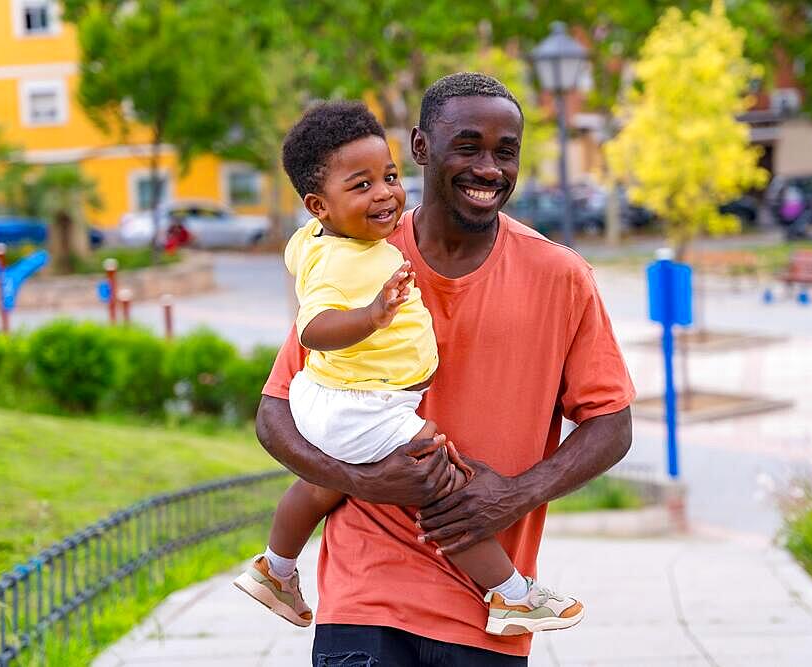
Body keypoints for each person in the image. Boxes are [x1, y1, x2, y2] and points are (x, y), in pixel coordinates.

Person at [256, 73, 634, 666]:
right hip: (365, 599)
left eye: (505, 152)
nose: (489, 167)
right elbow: (275, 412)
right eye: (468, 146)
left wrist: (515, 495)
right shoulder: (358, 257)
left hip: (488, 617)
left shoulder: (560, 276)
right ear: (422, 147)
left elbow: (612, 423)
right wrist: (357, 479)